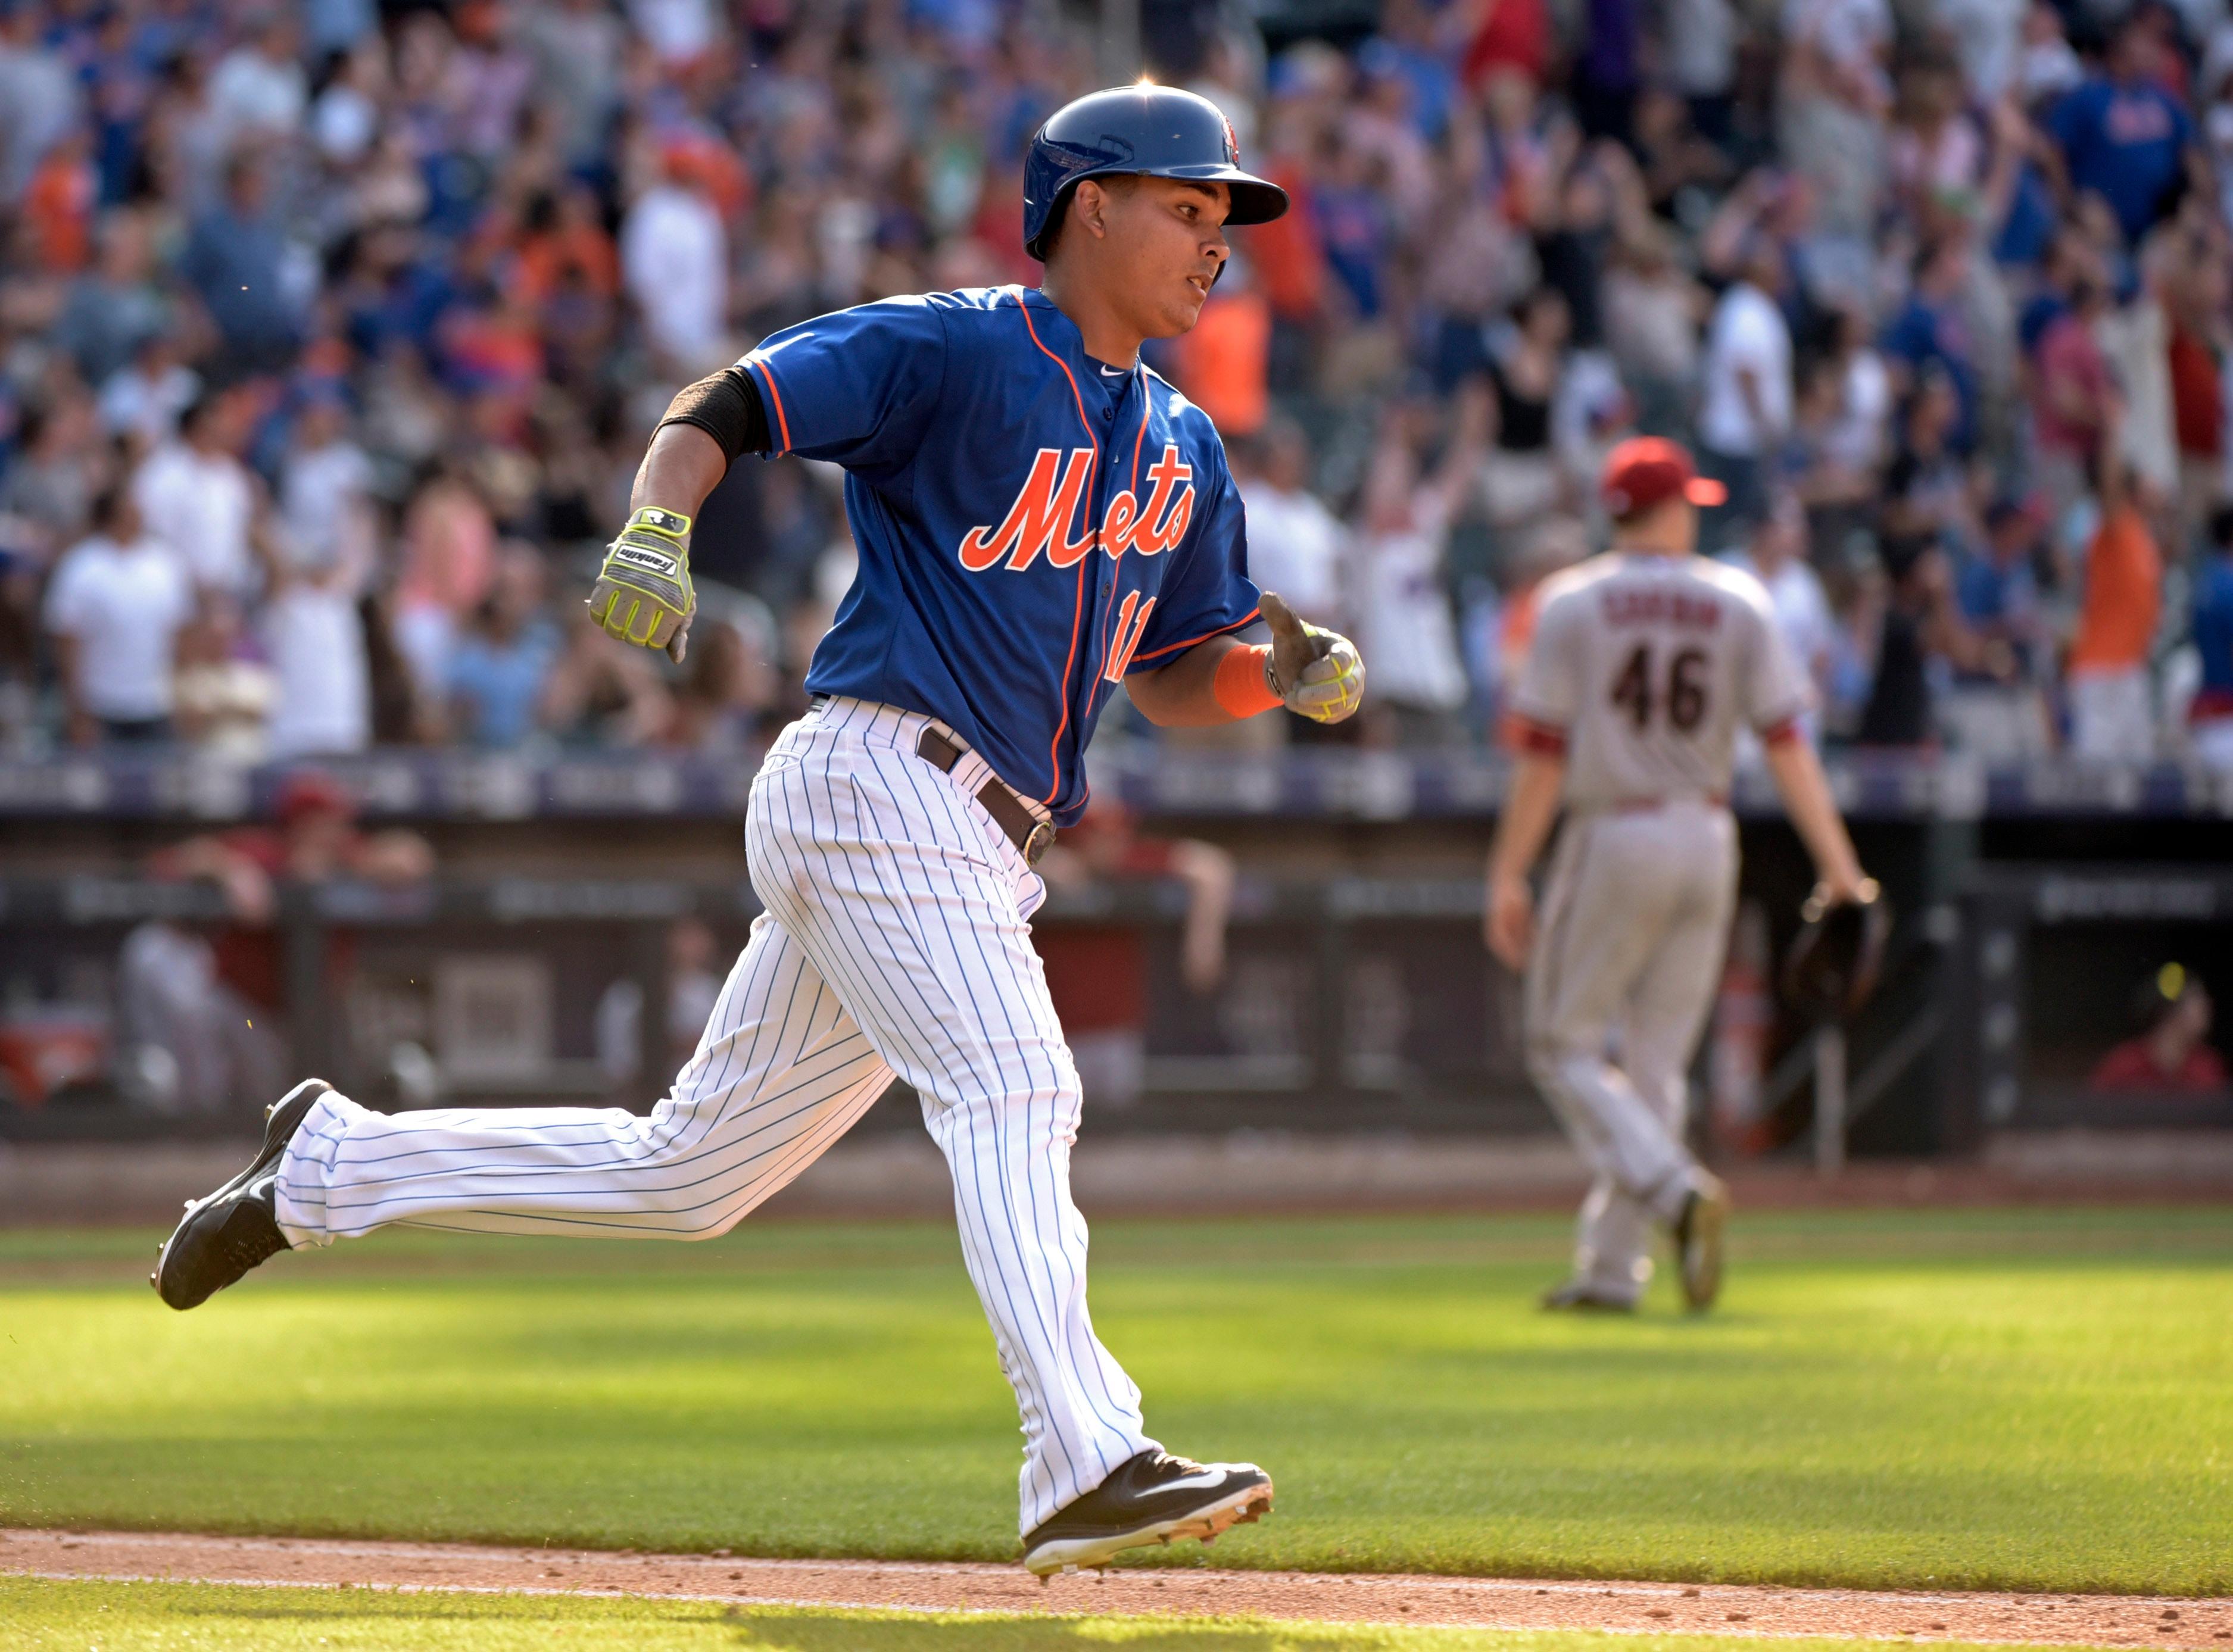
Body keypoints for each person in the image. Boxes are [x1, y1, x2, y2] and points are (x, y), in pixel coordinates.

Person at [152, 85, 1365, 1580]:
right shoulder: (958, 344)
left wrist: (1275, 677)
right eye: (1188, 208)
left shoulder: (1182, 441)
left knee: (689, 1174)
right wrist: (656, 521)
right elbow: (729, 402)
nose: (1215, 243)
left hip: (968, 829)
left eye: (1223, 219)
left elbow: (1173, 674)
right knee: (1012, 1085)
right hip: (883, 777)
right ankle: (1084, 1453)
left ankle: (330, 1167)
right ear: (1085, 208)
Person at [1486, 438, 1871, 1313]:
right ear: (1667, 508)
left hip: (1614, 830)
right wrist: (1840, 868)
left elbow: (1540, 757)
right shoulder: (1737, 596)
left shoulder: (1571, 598)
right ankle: (1613, 1269)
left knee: (1562, 1042)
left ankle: (1672, 1189)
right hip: (1707, 831)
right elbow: (1787, 746)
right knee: (1656, 1062)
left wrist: (1507, 872)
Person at [42, 484, 194, 745]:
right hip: (99, 703)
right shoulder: (82, 566)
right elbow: (66, 640)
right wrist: (76, 706)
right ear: (113, 515)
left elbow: (181, 634)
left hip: (155, 702)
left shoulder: (165, 564)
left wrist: (183, 696)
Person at [2089, 964, 2226, 1093]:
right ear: (2172, 1012)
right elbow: (2093, 1110)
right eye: (2199, 1002)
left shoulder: (2206, 1065)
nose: (2207, 1008)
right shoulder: (2126, 1064)